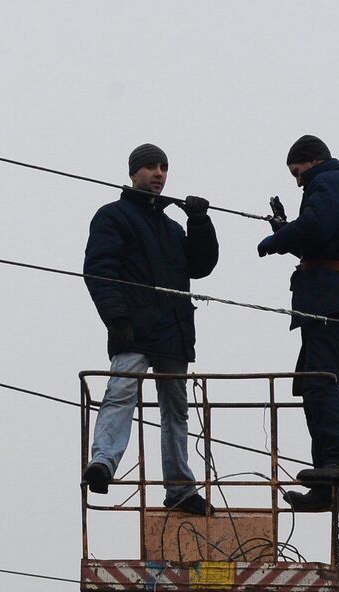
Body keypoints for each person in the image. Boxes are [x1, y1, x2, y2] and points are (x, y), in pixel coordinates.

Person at [82, 143, 218, 514]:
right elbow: (99, 270)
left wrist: (200, 221)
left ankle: (180, 488)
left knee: (175, 409)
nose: (159, 173)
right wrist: (117, 319)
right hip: (135, 328)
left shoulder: (173, 228)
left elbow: (201, 265)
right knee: (121, 391)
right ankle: (103, 463)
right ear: (133, 173)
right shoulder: (114, 217)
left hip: (172, 332)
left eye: (163, 167)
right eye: (151, 167)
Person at [257, 135, 339, 510]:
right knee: (314, 385)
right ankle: (328, 487)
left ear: (311, 162)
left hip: (329, 300)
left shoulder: (329, 181)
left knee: (321, 383)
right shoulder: (337, 185)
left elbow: (315, 228)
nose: (297, 182)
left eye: (297, 172)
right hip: (334, 299)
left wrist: (275, 240)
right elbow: (320, 238)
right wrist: (287, 230)